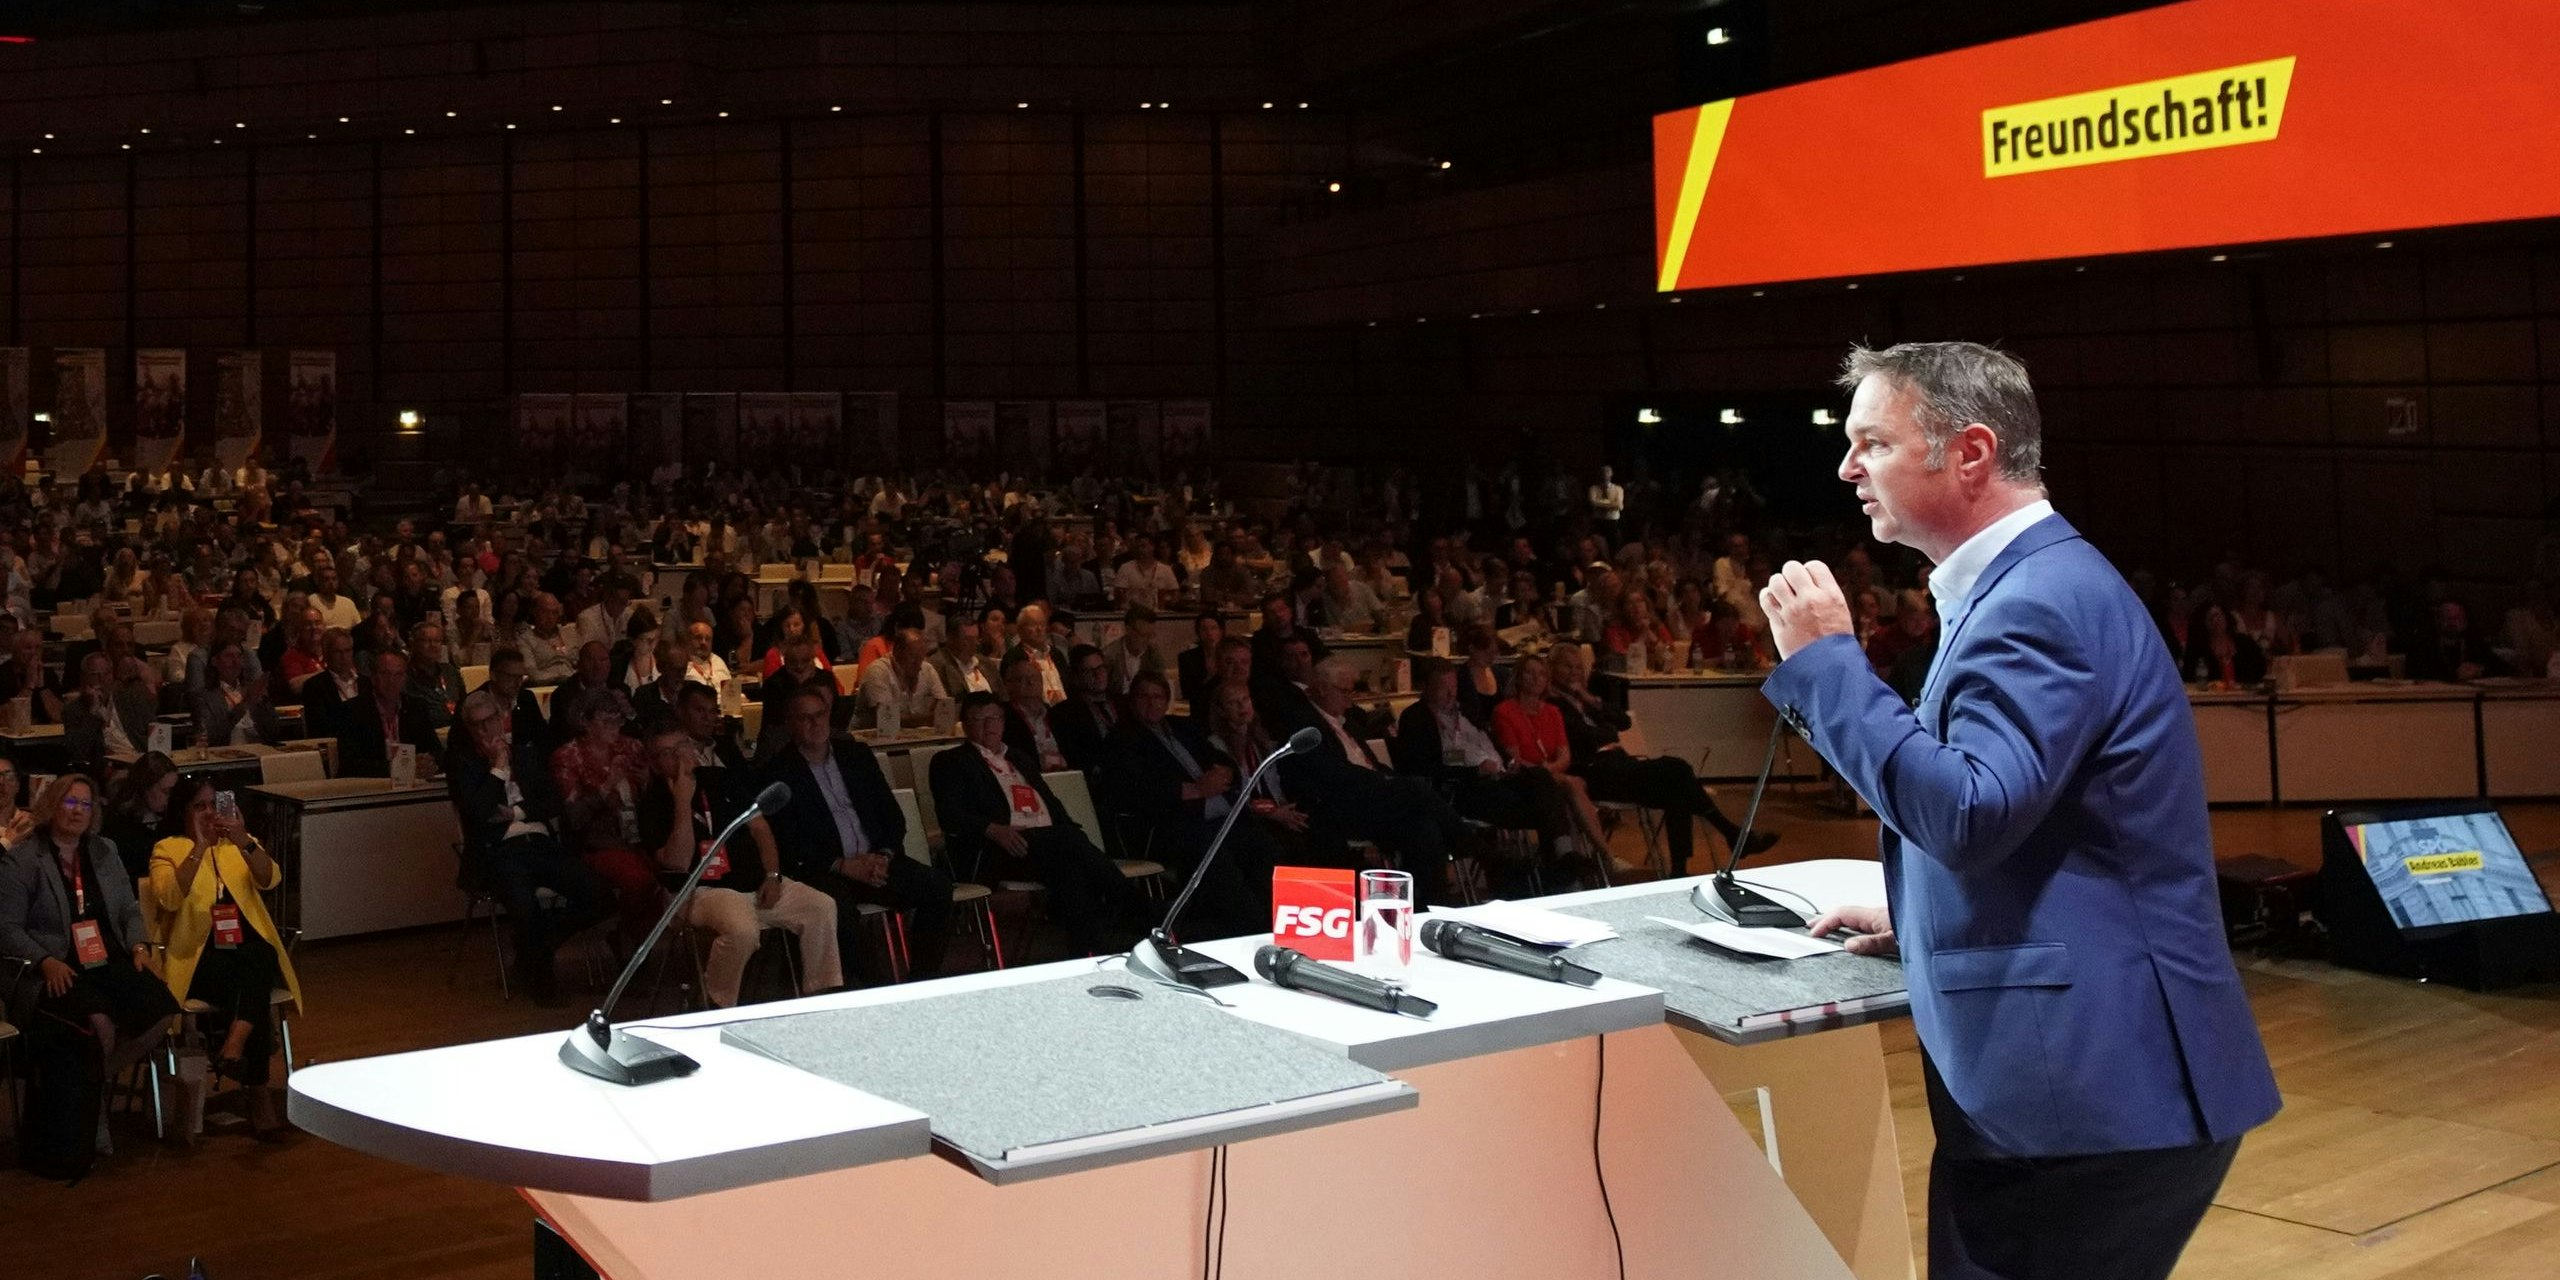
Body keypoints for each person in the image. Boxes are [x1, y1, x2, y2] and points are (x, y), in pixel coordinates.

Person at [1757, 341, 2278, 1279]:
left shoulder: (2037, 601)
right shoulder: (2030, 585)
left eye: (1873, 443)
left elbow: (1969, 813)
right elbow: (2048, 827)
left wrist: (1827, 665)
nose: (1847, 469)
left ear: (1970, 453)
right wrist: (1924, 916)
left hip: (2086, 1096)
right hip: (2091, 1090)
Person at [0, 774, 180, 1178]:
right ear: (52, 805)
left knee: (163, 1008)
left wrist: (139, 947)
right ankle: (91, 1112)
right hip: (56, 966)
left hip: (106, 957)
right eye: (70, 802)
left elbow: (129, 910)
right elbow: (7, 927)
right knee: (99, 1022)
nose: (77, 811)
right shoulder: (25, 857)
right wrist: (45, 960)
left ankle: (92, 1091)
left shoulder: (104, 850)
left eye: (85, 804)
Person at [758, 686, 953, 984]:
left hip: (876, 860)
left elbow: (891, 815)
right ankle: (870, 988)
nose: (815, 723)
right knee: (837, 910)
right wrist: (842, 865)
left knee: (937, 886)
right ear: (790, 724)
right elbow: (788, 839)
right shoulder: (778, 772)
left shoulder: (856, 756)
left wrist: (884, 855)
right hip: (825, 869)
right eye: (805, 718)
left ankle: (924, 979)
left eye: (820, 715)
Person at [636, 725, 842, 1006]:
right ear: (654, 763)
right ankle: (716, 1005)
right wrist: (682, 802)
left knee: (820, 906)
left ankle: (821, 995)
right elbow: (678, 862)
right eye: (667, 753)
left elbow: (760, 828)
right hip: (698, 891)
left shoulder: (722, 779)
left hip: (754, 882)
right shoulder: (652, 804)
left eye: (682, 747)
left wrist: (773, 875)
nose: (679, 757)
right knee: (742, 930)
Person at [933, 692, 1147, 957]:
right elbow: (950, 814)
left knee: (1068, 867)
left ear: (1003, 722)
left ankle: (1088, 948)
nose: (988, 726)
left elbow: (1051, 803)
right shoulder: (952, 761)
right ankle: (1136, 908)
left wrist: (1069, 830)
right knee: (1067, 842)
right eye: (979, 719)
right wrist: (993, 829)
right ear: (965, 725)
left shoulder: (1019, 758)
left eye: (994, 718)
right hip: (1000, 847)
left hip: (1048, 845)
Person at [148, 775, 301, 1138]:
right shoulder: (168, 848)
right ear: (183, 811)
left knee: (258, 958)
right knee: (254, 985)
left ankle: (235, 1041)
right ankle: (258, 1094)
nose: (208, 813)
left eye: (213, 805)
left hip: (246, 950)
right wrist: (199, 848)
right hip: (199, 956)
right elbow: (169, 897)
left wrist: (244, 840)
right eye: (199, 806)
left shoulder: (240, 844)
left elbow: (271, 879)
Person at [1545, 642, 1771, 877]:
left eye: (1578, 667)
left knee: (1677, 789)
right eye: (1566, 667)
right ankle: (1730, 834)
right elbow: (1591, 736)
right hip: (1593, 773)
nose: (1574, 673)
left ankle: (1682, 869)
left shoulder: (1587, 701)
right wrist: (1607, 732)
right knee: (1677, 769)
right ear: (1552, 669)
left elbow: (1623, 721)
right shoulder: (1553, 705)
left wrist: (1590, 700)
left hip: (1619, 766)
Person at [446, 690, 615, 1004]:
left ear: (501, 719)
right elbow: (479, 813)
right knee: (525, 906)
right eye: (477, 725)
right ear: (469, 730)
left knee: (599, 894)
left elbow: (553, 802)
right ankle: (543, 979)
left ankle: (537, 947)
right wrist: (498, 769)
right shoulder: (464, 766)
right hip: (498, 850)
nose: (486, 730)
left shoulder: (526, 756)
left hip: (539, 841)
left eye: (490, 721)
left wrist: (517, 813)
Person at [1280, 657, 1475, 908]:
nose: (1350, 700)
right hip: (1342, 804)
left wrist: (1385, 777)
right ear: (1322, 689)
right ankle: (1471, 844)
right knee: (1416, 787)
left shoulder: (1348, 723)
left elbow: (1369, 762)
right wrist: (1382, 780)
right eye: (1344, 691)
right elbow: (1331, 772)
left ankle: (1429, 907)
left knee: (1423, 827)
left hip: (1372, 798)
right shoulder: (1306, 723)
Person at [1102, 670, 1267, 941]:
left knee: (1260, 843)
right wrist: (1194, 790)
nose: (1151, 703)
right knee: (1212, 851)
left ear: (1167, 701)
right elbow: (1133, 790)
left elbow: (1222, 760)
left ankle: (1264, 919)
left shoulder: (1184, 727)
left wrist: (1223, 773)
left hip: (1217, 815)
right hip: (1166, 825)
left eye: (1158, 697)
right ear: (1132, 701)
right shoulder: (1122, 739)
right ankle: (1250, 927)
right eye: (1144, 697)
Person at [1392, 661, 1580, 882]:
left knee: (1541, 779)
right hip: (1466, 786)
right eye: (1444, 689)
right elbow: (1422, 766)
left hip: (1499, 775)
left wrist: (1509, 762)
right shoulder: (1416, 719)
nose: (1451, 694)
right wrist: (1475, 771)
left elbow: (1493, 743)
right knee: (1547, 807)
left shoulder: (1466, 712)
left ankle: (1562, 858)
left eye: (1454, 687)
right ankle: (1559, 866)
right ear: (1427, 688)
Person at [549, 687, 665, 948]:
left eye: (618, 720)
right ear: (585, 722)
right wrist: (606, 786)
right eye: (606, 722)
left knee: (672, 873)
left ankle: (631, 937)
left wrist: (647, 783)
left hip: (641, 835)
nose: (615, 728)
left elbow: (655, 800)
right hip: (598, 842)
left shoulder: (632, 747)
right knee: (640, 880)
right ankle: (632, 940)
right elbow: (574, 818)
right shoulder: (568, 757)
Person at [1486, 655, 1614, 867]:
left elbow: (1565, 756)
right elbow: (1513, 759)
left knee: (1570, 789)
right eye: (1530, 672)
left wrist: (1549, 769)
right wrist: (1544, 772)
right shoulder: (1504, 711)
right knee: (1573, 784)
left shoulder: (1553, 712)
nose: (1536, 678)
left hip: (1551, 774)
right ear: (1518, 677)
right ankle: (1604, 854)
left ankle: (1573, 860)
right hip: (1525, 778)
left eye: (1541, 674)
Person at [337, 648, 442, 779]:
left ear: (405, 678)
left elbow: (437, 751)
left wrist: (429, 761)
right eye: (385, 674)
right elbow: (349, 765)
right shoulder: (352, 711)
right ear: (373, 677)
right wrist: (395, 768)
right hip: (372, 786)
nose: (391, 680)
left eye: (398, 674)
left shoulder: (416, 707)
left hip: (413, 784)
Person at [62, 651, 160, 775]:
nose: (102, 679)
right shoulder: (73, 710)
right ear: (83, 678)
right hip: (108, 769)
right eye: (95, 675)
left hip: (141, 761)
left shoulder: (129, 699)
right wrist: (93, 713)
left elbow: (153, 727)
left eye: (106, 674)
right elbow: (77, 751)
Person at [857, 625, 951, 734]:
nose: (918, 664)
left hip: (915, 737)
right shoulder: (877, 671)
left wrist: (939, 714)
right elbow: (887, 719)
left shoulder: (927, 669)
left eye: (921, 657)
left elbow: (944, 708)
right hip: (870, 739)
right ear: (897, 651)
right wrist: (929, 719)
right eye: (913, 657)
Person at [100, 751, 179, 879]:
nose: (169, 797)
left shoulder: (168, 819)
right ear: (145, 787)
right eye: (165, 791)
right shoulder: (119, 826)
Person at [192, 641, 286, 747]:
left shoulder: (252, 689)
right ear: (214, 661)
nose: (235, 661)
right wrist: (244, 704)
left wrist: (263, 703)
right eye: (229, 656)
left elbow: (274, 731)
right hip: (227, 752)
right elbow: (213, 736)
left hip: (260, 750)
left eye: (239, 656)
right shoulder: (205, 697)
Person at [1045, 644, 1122, 772]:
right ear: (1076, 677)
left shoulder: (1123, 703)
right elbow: (1074, 757)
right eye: (1089, 671)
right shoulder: (1065, 713)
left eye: (1101, 668)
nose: (1098, 675)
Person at [297, 627, 364, 741]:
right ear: (326, 654)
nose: (344, 657)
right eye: (338, 652)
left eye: (347, 651)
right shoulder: (315, 687)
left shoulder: (365, 683)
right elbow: (320, 728)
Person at [2179, 603, 2268, 688]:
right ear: (2204, 623)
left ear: (2226, 617)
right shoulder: (2197, 650)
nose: (2215, 621)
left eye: (2218, 615)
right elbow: (2189, 678)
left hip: (2244, 695)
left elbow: (2260, 670)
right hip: (2211, 696)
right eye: (2210, 618)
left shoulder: (2245, 643)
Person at [516, 592, 581, 684]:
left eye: (554, 612)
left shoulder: (569, 633)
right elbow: (531, 672)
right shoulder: (525, 640)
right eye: (544, 612)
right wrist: (559, 678)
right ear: (535, 612)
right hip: (546, 686)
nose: (550, 617)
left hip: (573, 683)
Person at [1103, 605, 1165, 695]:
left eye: (1151, 635)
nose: (1148, 640)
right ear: (1128, 630)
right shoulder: (1109, 656)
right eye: (1143, 635)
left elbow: (1161, 686)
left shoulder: (1153, 654)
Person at [1176, 612, 1223, 706]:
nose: (1209, 633)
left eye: (1213, 628)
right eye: (1204, 629)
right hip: (1199, 705)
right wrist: (1209, 677)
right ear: (1198, 633)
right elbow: (1187, 692)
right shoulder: (1187, 658)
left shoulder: (1230, 655)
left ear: (1221, 632)